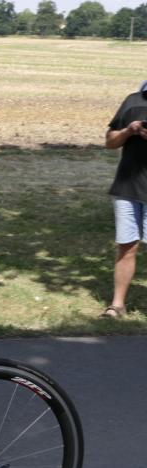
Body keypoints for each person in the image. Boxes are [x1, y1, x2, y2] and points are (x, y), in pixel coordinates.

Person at [100, 81, 147, 318]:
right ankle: (117, 305)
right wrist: (129, 131)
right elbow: (110, 142)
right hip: (127, 188)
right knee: (126, 247)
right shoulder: (133, 101)